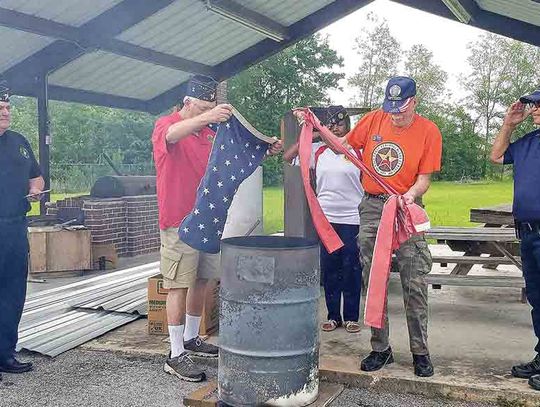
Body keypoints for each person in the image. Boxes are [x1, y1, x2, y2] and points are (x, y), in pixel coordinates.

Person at [152, 75, 282, 382]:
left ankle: (192, 337)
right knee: (177, 285)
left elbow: (231, 158)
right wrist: (210, 115)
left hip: (207, 219)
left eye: (211, 106)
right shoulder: (167, 123)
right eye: (203, 106)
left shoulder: (209, 134)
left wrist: (264, 150)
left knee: (203, 280)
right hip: (179, 221)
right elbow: (171, 135)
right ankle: (174, 354)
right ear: (188, 102)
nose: (207, 112)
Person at [345, 76, 442, 377]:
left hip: (406, 207)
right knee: (373, 279)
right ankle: (380, 348)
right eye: (391, 107)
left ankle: (420, 351)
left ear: (415, 101)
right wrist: (313, 125)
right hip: (373, 206)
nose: (395, 113)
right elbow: (345, 145)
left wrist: (410, 195)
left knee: (414, 280)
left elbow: (424, 177)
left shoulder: (429, 131)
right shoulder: (374, 119)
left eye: (401, 107)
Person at [285, 106, 364, 333]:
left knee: (351, 267)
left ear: (348, 126)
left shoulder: (358, 151)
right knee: (330, 268)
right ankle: (333, 316)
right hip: (326, 219)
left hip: (352, 218)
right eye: (330, 125)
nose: (335, 129)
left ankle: (351, 316)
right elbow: (288, 156)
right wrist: (314, 135)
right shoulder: (317, 152)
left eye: (340, 124)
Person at [490, 90, 540, 391]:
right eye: (534, 105)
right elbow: (496, 156)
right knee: (537, 299)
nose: (534, 110)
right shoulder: (529, 141)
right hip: (529, 231)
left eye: (538, 106)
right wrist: (509, 124)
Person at [0, 80, 44, 376]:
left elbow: (36, 176)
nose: (6, 112)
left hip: (15, 227)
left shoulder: (19, 141)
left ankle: (5, 353)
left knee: (13, 293)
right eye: (0, 108)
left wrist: (36, 187)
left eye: (7, 107)